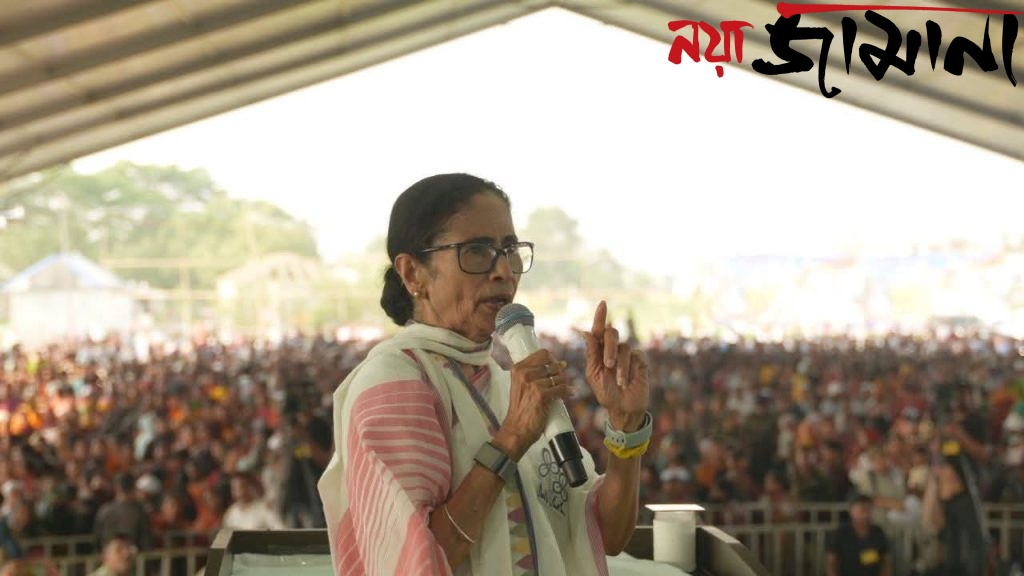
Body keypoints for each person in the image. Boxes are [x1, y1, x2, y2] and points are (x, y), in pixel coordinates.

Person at [317, 173, 652, 576]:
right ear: (413, 274)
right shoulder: (395, 383)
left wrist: (625, 427)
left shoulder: (507, 384)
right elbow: (412, 562)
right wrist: (511, 439)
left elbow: (606, 534)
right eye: (476, 251)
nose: (504, 271)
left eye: (510, 250)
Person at [826, 493, 892, 576]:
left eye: (869, 509)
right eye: (862, 509)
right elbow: (831, 562)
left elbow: (886, 561)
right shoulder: (841, 533)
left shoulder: (878, 532)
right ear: (851, 511)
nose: (866, 513)